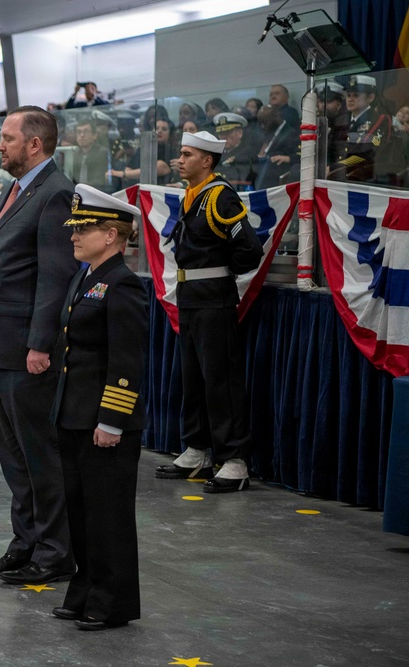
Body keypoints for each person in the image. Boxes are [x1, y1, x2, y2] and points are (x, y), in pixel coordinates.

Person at [0, 105, 77, 584]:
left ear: (34, 144)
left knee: (38, 456)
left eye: (7, 138)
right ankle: (25, 542)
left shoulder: (55, 193)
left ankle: (54, 552)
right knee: (13, 456)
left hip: (25, 351)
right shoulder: (14, 189)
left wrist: (40, 344)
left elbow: (55, 277)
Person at [49, 184, 148, 631]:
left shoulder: (123, 285)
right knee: (82, 512)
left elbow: (127, 360)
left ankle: (112, 601)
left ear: (111, 235)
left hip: (103, 421)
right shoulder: (86, 276)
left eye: (83, 229)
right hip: (75, 414)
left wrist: (112, 420)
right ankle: (85, 589)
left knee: (108, 516)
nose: (74, 236)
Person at [155, 131, 262, 493]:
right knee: (194, 377)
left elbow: (249, 248)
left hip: (213, 295)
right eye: (180, 154)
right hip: (191, 295)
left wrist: (222, 273)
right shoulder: (193, 195)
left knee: (221, 379)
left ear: (207, 161)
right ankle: (197, 448)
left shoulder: (220, 197)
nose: (179, 159)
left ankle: (234, 459)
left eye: (187, 154)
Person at [253, 105, 298, 190]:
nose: (262, 126)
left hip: (276, 172)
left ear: (276, 117)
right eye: (260, 123)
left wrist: (287, 158)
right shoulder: (266, 133)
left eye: (265, 122)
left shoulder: (291, 133)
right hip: (261, 169)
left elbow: (300, 155)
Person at [213, 112, 256, 189]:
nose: (224, 136)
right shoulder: (216, 154)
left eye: (228, 132)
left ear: (240, 133)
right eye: (221, 133)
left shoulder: (248, 153)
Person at [68, 119, 112, 191]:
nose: (82, 135)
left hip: (95, 194)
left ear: (94, 135)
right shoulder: (75, 154)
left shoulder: (102, 153)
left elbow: (98, 181)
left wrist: (78, 189)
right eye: (79, 132)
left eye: (86, 131)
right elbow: (71, 178)